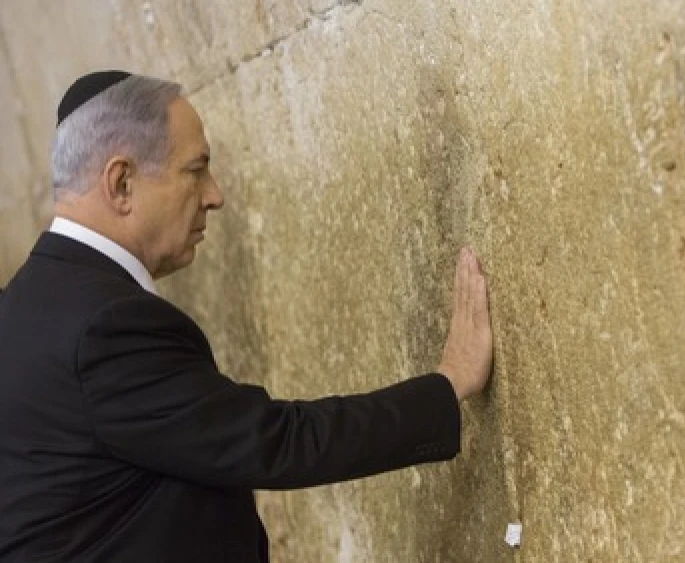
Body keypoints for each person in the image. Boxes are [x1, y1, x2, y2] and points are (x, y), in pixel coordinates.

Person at [0, 71, 493, 562]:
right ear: (122, 182)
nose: (215, 195)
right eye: (196, 169)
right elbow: (277, 442)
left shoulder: (20, 307)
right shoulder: (105, 327)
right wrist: (447, 386)